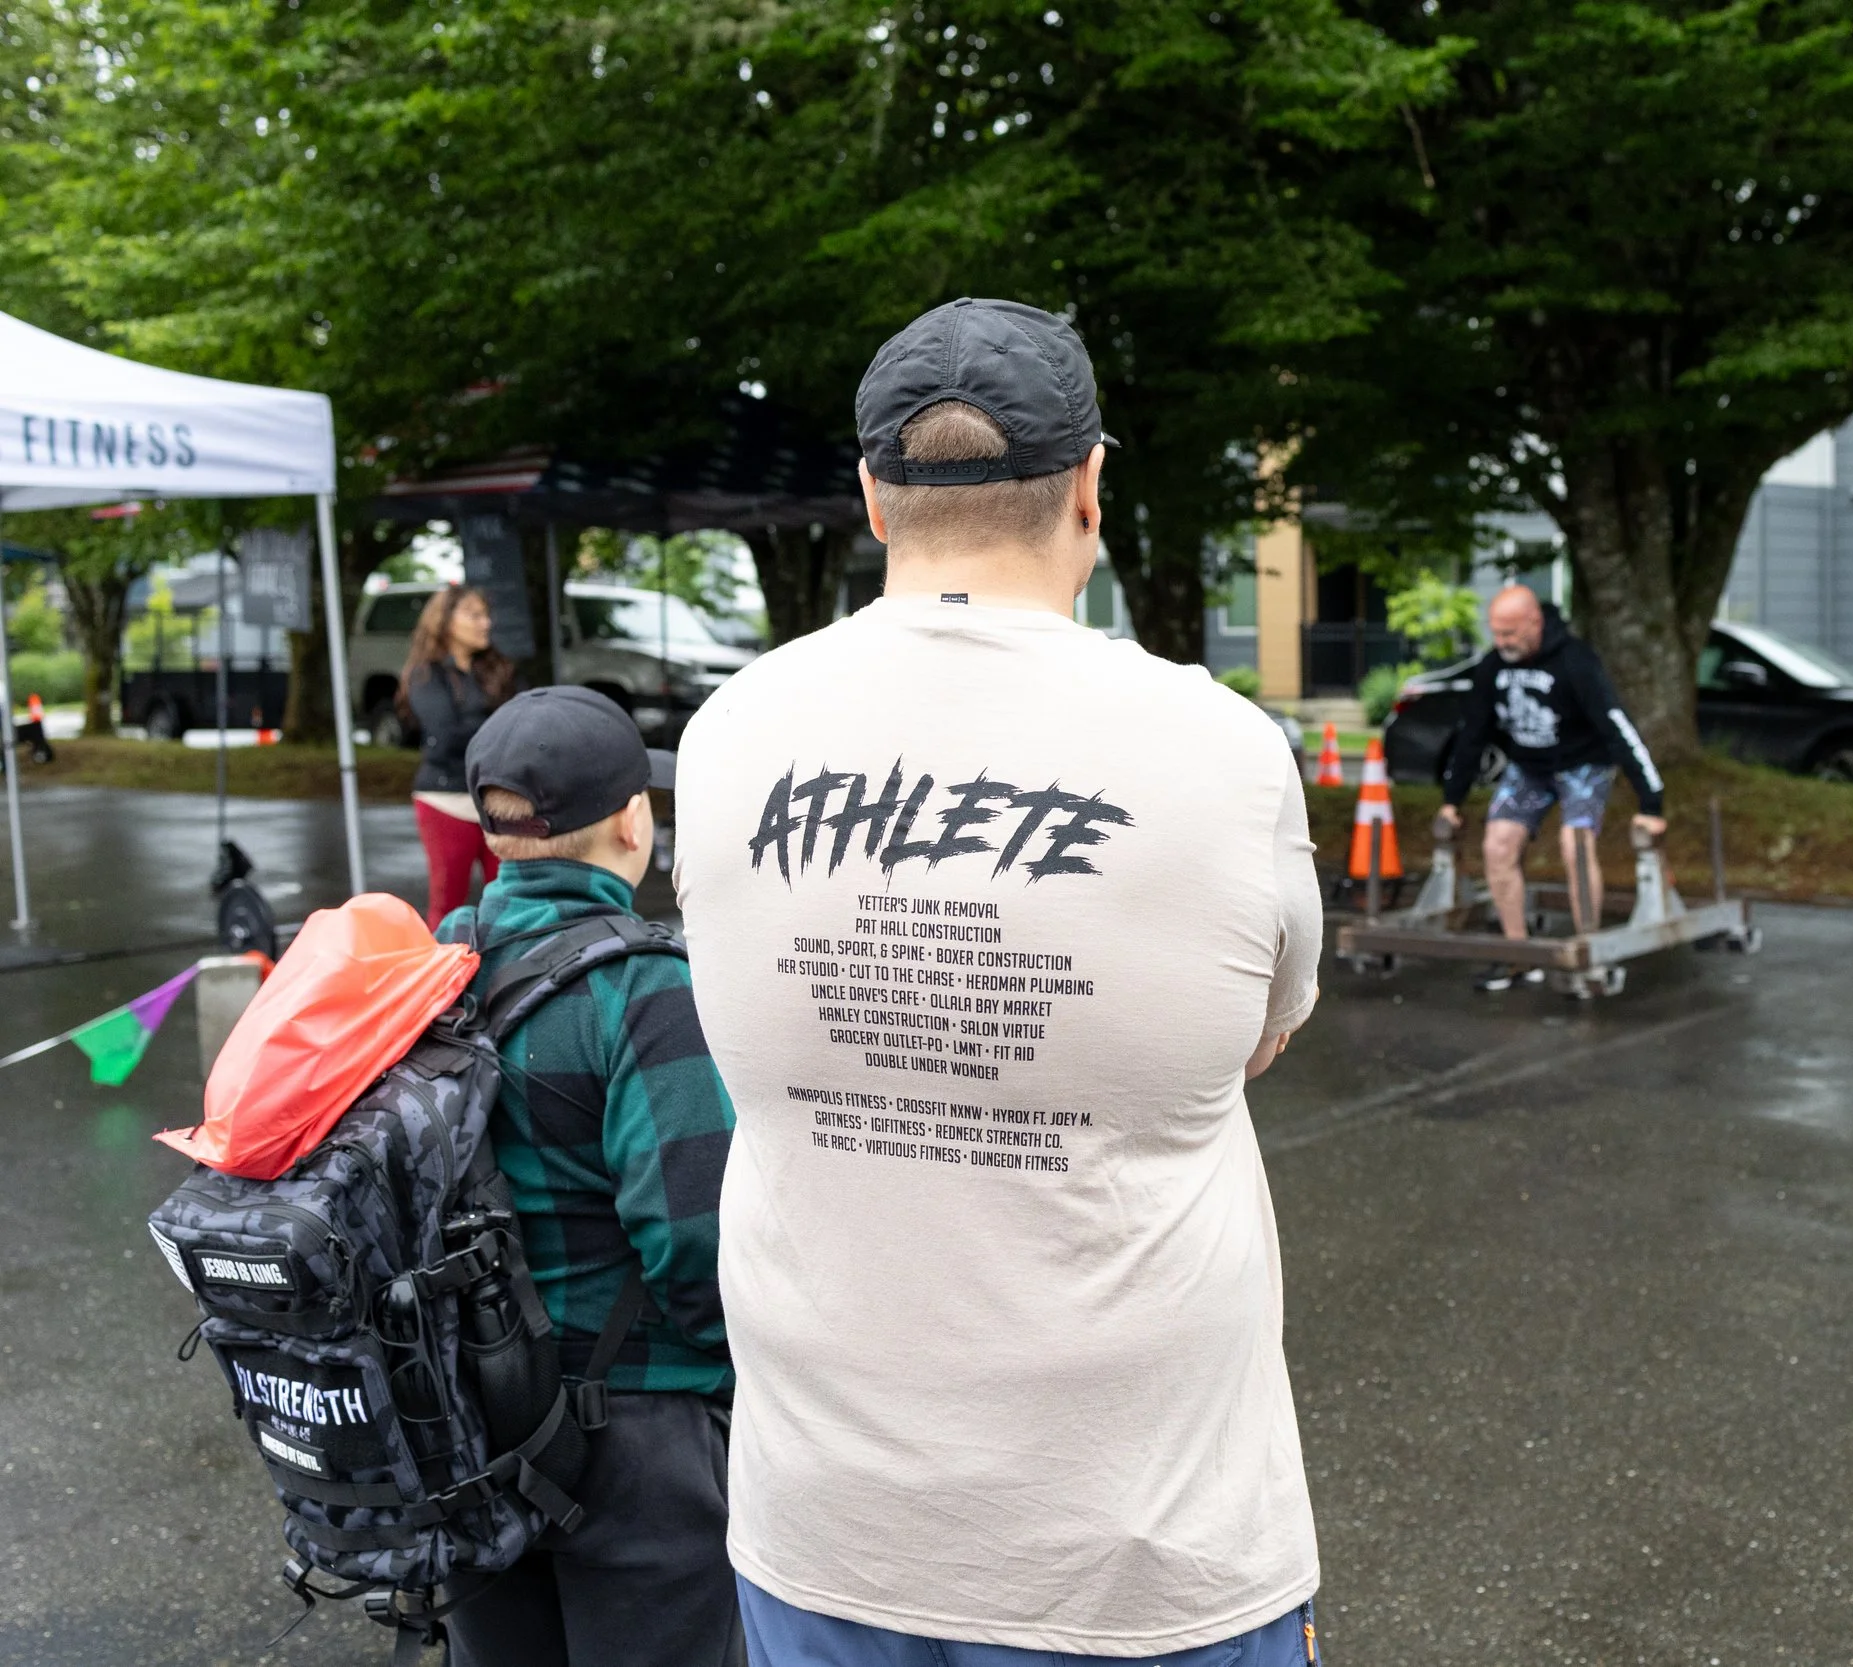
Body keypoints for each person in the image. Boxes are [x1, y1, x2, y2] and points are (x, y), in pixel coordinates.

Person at [672, 297, 1326, 1667]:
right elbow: (1261, 1033)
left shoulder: (726, 734)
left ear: (871, 497)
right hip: (1141, 1543)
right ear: (1092, 483)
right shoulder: (1220, 746)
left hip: (824, 1526)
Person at [435, 686, 743, 1667]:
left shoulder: (437, 957)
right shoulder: (648, 985)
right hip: (633, 1436)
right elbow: (697, 1241)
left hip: (465, 1420)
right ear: (630, 818)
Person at [1433, 583, 1670, 991]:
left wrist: (1651, 802)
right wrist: (1452, 800)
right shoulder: (1493, 667)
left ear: (1534, 623)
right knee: (1498, 845)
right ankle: (1518, 956)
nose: (1502, 642)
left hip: (1584, 765)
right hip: (1530, 767)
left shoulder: (1575, 662)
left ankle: (1586, 951)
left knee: (1574, 844)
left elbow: (1617, 728)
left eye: (1511, 633)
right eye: (1496, 632)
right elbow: (1473, 733)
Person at [401, 583, 520, 926]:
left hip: (497, 797)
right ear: (446, 621)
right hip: (446, 799)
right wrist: (500, 731)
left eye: (486, 615)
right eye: (474, 615)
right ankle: (442, 977)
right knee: (449, 902)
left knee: (508, 898)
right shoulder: (427, 674)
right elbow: (446, 735)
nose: (485, 623)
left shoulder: (496, 670)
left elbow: (522, 720)